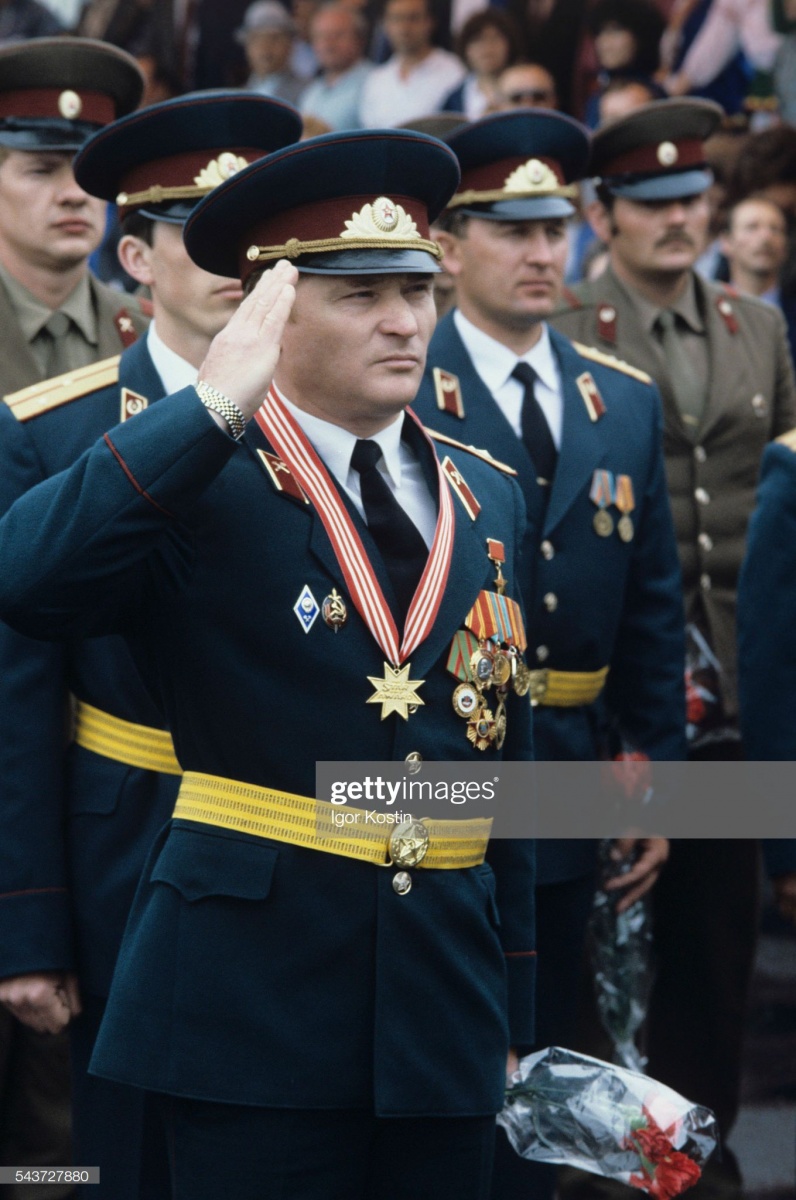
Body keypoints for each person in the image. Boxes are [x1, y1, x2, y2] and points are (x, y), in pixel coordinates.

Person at [0, 126, 537, 1200]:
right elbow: (28, 578)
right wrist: (207, 409)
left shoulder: (489, 492)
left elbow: (501, 768)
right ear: (273, 310)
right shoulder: (199, 476)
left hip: (443, 1007)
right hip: (250, 1010)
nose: (404, 321)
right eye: (359, 295)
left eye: (416, 289)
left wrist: (513, 1005)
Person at [0, 88, 303, 1200]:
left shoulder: (336, 421)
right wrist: (28, 925)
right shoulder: (54, 429)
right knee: (120, 1150)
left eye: (254, 235)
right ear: (136, 257)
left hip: (303, 840)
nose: (235, 261)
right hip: (128, 838)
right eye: (198, 234)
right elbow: (19, 698)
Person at [410, 108, 684, 1200]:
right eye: (510, 230)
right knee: (446, 1024)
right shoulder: (406, 383)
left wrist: (653, 777)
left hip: (571, 754)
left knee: (551, 1033)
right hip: (441, 758)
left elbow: (653, 608)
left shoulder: (621, 399)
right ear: (449, 247)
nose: (539, 253)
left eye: (554, 229)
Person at [552, 97, 796, 1200]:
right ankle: (607, 1161)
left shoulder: (757, 329)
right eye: (651, 204)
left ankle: (699, 1156)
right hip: (611, 690)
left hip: (734, 693)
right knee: (598, 938)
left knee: (713, 944)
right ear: (604, 215)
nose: (678, 219)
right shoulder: (568, 324)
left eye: (691, 199)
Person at [0, 36, 145, 1197]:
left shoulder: (153, 339)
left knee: (73, 1120)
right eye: (40, 168)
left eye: (88, 172)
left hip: (95, 766)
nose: (70, 195)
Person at [359, 0, 464, 127]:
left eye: (413, 18)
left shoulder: (454, 71)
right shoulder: (376, 79)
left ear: (430, 22)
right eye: (396, 19)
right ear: (385, 24)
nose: (404, 27)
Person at [299, 2, 371, 130]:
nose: (328, 44)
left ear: (359, 39)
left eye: (337, 35)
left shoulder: (375, 83)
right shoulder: (311, 91)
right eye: (320, 36)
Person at [441, 8, 522, 120]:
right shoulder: (453, 100)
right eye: (478, 40)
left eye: (495, 38)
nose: (488, 47)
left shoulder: (526, 89)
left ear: (510, 44)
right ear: (465, 49)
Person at [236, 0, 306, 105]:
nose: (265, 47)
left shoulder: (307, 92)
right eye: (256, 39)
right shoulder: (239, 95)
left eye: (274, 38)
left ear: (290, 44)